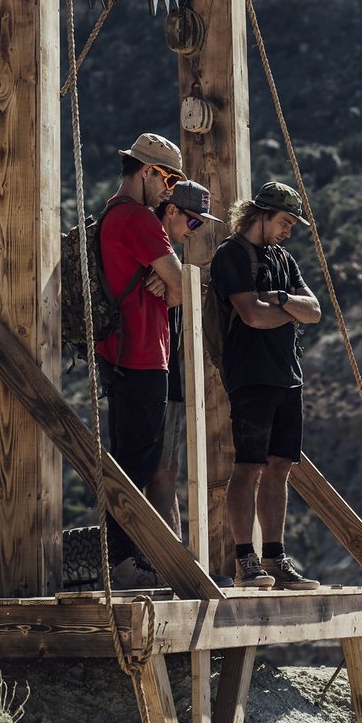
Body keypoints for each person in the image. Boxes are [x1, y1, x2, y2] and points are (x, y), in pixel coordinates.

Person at [96, 134, 212, 574]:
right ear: (146, 170)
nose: (169, 190)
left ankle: (127, 552)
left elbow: (175, 284)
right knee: (138, 464)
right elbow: (183, 287)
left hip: (122, 352)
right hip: (141, 354)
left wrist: (168, 282)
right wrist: (172, 284)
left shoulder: (111, 212)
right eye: (167, 179)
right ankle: (125, 556)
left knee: (134, 457)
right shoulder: (139, 220)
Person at [208, 180, 322, 590]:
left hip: (288, 375)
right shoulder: (232, 255)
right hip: (251, 376)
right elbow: (251, 317)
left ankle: (275, 558)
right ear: (261, 215)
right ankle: (245, 561)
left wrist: (276, 300)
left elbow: (314, 311)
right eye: (284, 221)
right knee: (249, 466)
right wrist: (285, 307)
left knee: (281, 467)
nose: (288, 230)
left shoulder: (284, 260)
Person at [150, 180, 222, 537]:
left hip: (168, 372)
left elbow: (179, 291)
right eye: (193, 222)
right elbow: (177, 291)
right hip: (149, 372)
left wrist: (173, 286)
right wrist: (174, 286)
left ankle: (173, 552)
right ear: (173, 210)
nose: (195, 232)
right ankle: (163, 559)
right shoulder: (152, 245)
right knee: (158, 468)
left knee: (168, 467)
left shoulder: (167, 253)